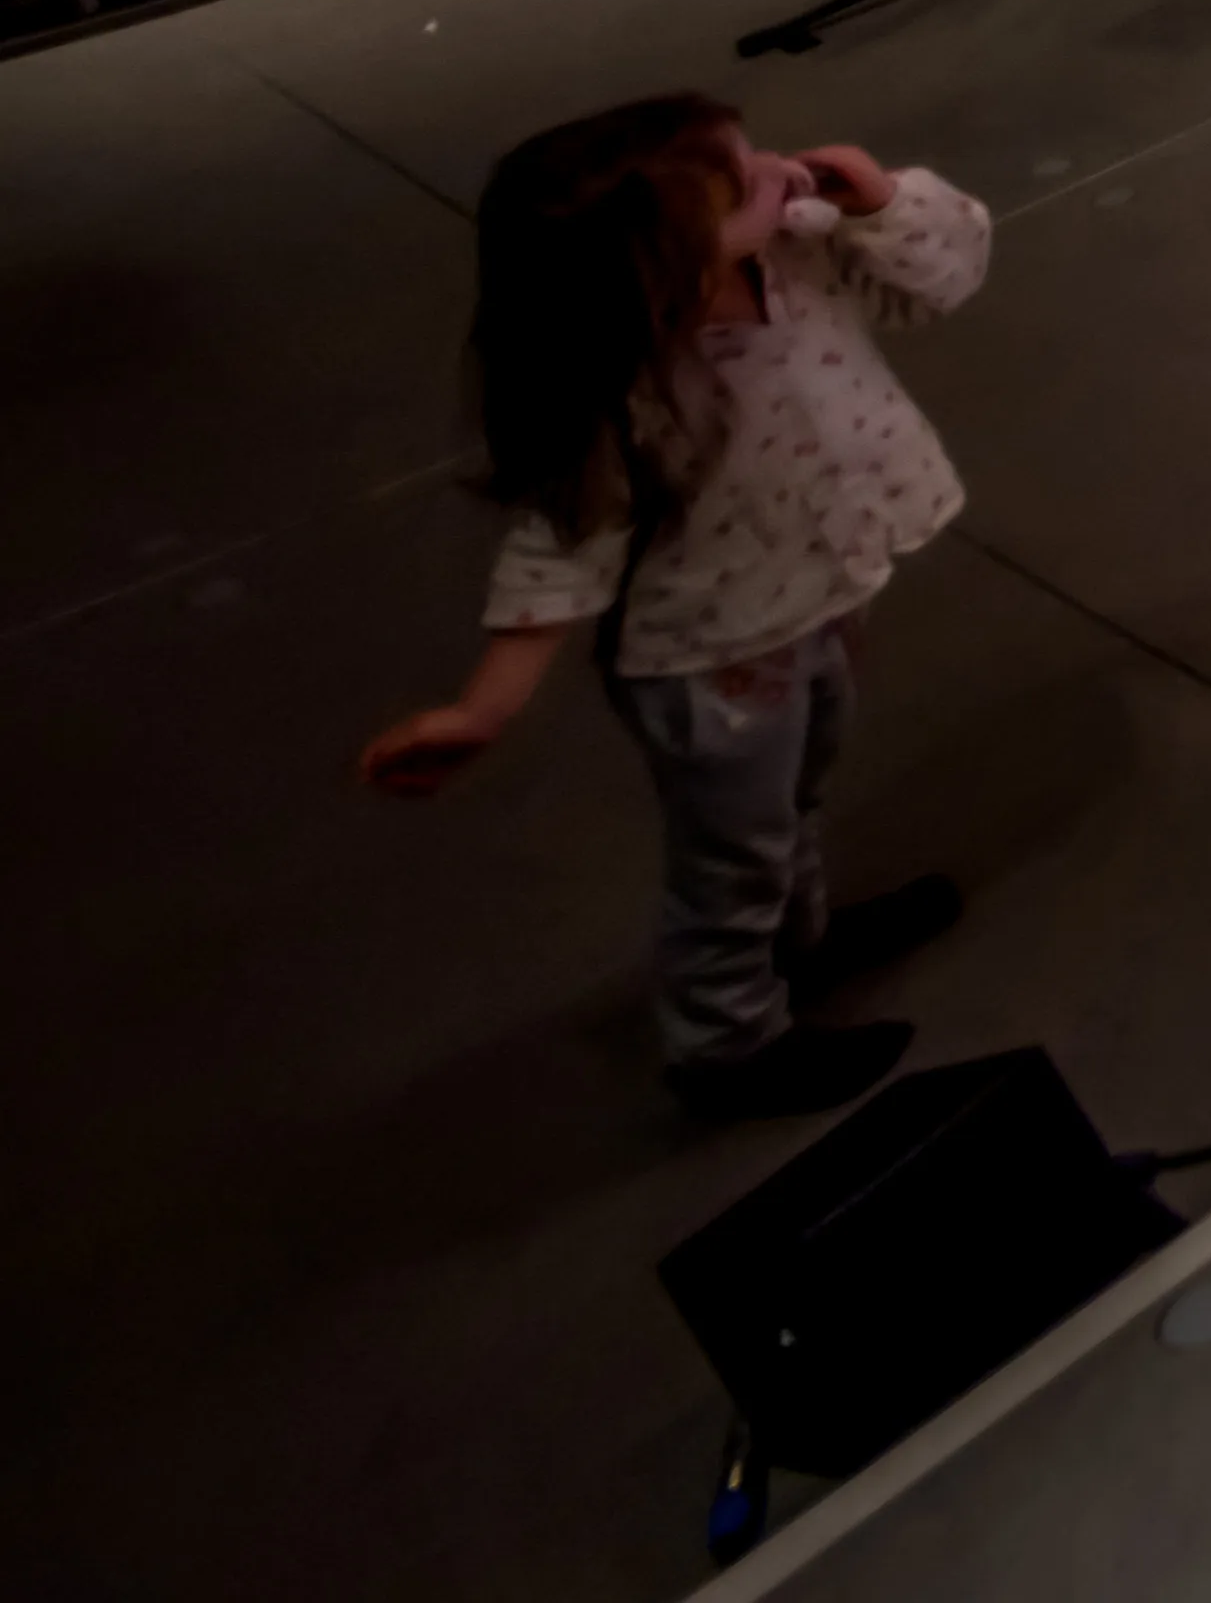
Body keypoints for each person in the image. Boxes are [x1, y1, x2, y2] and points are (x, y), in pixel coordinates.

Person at [367, 100, 989, 1122]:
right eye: (740, 184)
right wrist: (485, 707)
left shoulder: (798, 255)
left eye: (753, 151)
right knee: (731, 862)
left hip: (815, 604)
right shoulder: (629, 385)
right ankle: (728, 1046)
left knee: (796, 799)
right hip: (712, 664)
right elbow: (566, 544)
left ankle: (806, 939)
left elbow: (942, 282)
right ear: (655, 265)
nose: (781, 173)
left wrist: (884, 199)